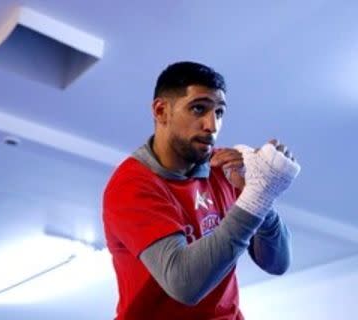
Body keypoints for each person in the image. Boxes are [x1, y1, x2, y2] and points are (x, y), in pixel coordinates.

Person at [102, 61, 301, 320]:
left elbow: (278, 263)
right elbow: (184, 283)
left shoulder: (225, 168)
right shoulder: (132, 184)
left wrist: (262, 195)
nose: (212, 125)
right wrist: (258, 196)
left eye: (219, 112)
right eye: (199, 109)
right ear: (161, 111)